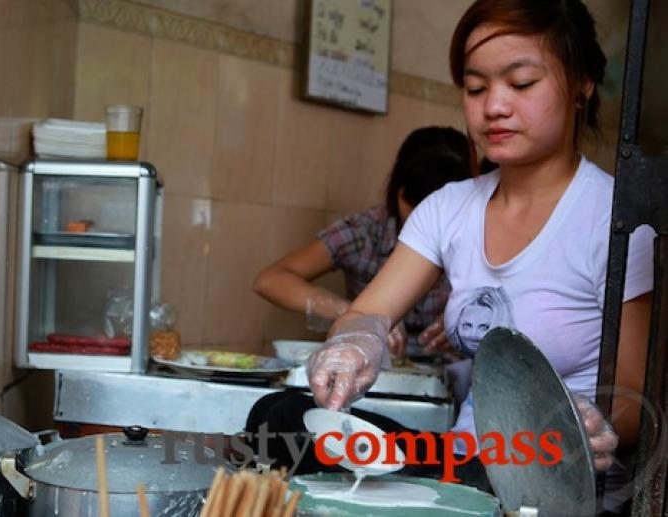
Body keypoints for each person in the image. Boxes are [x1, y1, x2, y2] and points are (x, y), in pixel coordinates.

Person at [247, 0, 654, 494]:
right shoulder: (450, 208)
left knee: (490, 477)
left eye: (521, 84)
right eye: (475, 87)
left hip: (547, 473)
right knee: (280, 417)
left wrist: (586, 422)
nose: (493, 106)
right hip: (461, 462)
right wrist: (355, 342)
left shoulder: (614, 220)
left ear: (582, 84)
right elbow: (368, 312)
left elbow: (634, 403)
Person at [253, 126, 473, 356]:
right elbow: (269, 280)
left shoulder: (480, 234)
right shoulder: (365, 232)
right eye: (413, 203)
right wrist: (355, 316)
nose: (421, 218)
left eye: (436, 210)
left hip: (454, 377)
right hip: (373, 374)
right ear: (397, 189)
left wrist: (466, 323)